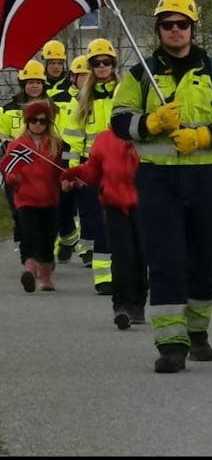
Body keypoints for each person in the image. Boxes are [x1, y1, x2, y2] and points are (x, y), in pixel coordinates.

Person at [110, 0, 212, 374]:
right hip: (157, 180)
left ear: (193, 28)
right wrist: (149, 124)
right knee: (166, 260)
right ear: (158, 29)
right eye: (167, 24)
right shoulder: (140, 74)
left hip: (204, 178)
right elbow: (119, 121)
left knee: (204, 260)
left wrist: (203, 136)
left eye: (182, 24)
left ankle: (198, 332)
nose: (175, 30)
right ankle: (171, 344)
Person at [60, 129, 146, 329]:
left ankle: (137, 303)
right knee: (121, 254)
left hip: (145, 205)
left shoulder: (150, 137)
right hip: (114, 204)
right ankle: (121, 306)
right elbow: (93, 170)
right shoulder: (105, 139)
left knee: (140, 256)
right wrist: (73, 174)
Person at [62, 38, 120, 295]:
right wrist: (74, 171)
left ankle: (125, 272)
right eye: (97, 64)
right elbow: (74, 138)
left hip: (122, 168)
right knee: (99, 224)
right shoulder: (83, 99)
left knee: (123, 223)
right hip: (93, 169)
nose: (102, 67)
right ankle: (102, 277)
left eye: (106, 62)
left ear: (114, 64)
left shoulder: (125, 92)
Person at [1, 100, 65, 292]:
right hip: (26, 199)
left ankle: (46, 278)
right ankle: (29, 271)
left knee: (47, 239)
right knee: (29, 235)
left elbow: (61, 170)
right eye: (34, 120)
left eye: (43, 121)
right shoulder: (18, 145)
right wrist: (13, 177)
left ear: (49, 123)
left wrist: (67, 179)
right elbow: (8, 169)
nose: (38, 124)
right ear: (27, 122)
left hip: (49, 199)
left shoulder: (55, 144)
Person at [0, 60, 55, 252]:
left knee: (43, 211)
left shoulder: (52, 108)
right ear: (23, 84)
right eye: (30, 82)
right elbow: (2, 134)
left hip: (44, 168)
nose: (34, 86)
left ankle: (40, 250)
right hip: (18, 167)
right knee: (19, 211)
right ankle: (27, 250)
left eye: (38, 82)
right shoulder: (8, 109)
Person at [42, 40, 81, 261]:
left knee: (67, 198)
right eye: (52, 62)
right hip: (44, 150)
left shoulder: (72, 90)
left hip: (67, 149)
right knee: (48, 199)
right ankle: (63, 238)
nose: (56, 67)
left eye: (59, 62)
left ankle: (68, 235)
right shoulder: (38, 88)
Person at [53, 55, 90, 263]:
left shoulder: (97, 98)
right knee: (64, 204)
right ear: (73, 77)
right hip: (66, 155)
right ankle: (68, 238)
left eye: (87, 74)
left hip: (90, 158)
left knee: (88, 206)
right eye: (81, 75)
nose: (84, 79)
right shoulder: (62, 99)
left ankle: (87, 249)